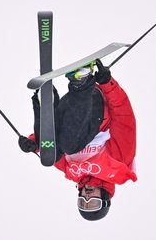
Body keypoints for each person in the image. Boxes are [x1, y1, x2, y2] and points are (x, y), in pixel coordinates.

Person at [18, 59, 137, 221]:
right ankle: (83, 81)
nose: (87, 197)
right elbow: (124, 117)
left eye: (82, 202)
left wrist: (34, 144)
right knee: (69, 145)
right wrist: (107, 83)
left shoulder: (72, 172)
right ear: (104, 198)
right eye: (93, 202)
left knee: (52, 155)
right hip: (94, 105)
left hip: (71, 107)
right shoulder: (118, 165)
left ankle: (45, 101)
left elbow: (52, 147)